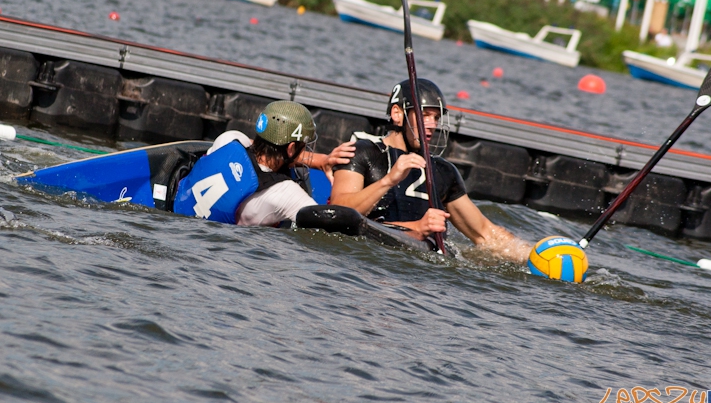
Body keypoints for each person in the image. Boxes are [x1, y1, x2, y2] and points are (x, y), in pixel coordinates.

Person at [329, 79, 530, 263]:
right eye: (424, 115)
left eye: (436, 117)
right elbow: (339, 211)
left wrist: (536, 254)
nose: (433, 125)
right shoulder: (362, 153)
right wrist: (388, 181)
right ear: (398, 114)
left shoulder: (443, 171)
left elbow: (485, 233)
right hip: (367, 262)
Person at [173, 100, 354, 227]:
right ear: (291, 149)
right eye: (303, 146)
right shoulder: (285, 193)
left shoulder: (229, 139)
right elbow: (327, 223)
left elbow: (258, 152)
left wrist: (322, 161)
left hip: (177, 210)